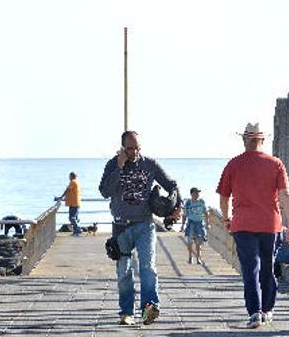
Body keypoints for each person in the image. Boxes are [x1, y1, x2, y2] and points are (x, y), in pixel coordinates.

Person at [216, 122, 289, 329]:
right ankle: (268, 310)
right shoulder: (275, 164)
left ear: (244, 140)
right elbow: (285, 195)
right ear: (262, 140)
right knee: (268, 268)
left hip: (242, 224)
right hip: (270, 224)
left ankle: (254, 313)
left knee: (250, 269)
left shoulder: (233, 164)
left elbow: (224, 196)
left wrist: (226, 219)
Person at [100, 130, 181, 326]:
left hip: (145, 224)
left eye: (137, 148)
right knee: (124, 271)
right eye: (129, 149)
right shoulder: (113, 164)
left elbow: (172, 185)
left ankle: (149, 309)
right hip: (120, 225)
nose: (134, 152)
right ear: (122, 148)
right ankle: (126, 312)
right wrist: (119, 168)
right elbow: (104, 191)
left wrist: (178, 206)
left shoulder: (149, 164)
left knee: (148, 268)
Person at [181, 187, 208, 264]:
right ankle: (190, 257)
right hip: (191, 223)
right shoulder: (188, 203)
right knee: (190, 242)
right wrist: (182, 225)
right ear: (192, 194)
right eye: (196, 193)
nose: (197, 194)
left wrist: (207, 223)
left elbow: (206, 213)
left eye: (198, 193)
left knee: (199, 243)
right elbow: (185, 214)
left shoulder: (201, 202)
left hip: (199, 223)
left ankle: (198, 259)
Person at [57, 172, 83, 236]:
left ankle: (78, 229)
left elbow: (67, 190)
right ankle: (76, 231)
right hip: (76, 202)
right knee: (75, 217)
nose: (69, 177)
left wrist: (61, 197)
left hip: (73, 203)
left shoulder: (73, 182)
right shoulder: (77, 182)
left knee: (72, 217)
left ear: (71, 176)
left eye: (69, 176)